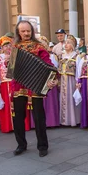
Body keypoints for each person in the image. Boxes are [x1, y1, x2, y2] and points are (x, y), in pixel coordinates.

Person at [10, 21, 57, 157]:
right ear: (18, 32)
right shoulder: (15, 47)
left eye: (28, 31)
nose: (26, 33)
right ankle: (21, 145)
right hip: (19, 86)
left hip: (36, 85)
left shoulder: (39, 47)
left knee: (39, 117)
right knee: (18, 117)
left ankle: (42, 146)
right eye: (23, 31)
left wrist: (52, 79)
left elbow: (48, 64)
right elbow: (11, 69)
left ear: (32, 31)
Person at [0, 35, 31, 133]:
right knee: (6, 107)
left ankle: (22, 126)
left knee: (20, 104)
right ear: (1, 48)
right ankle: (8, 126)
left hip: (17, 84)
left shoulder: (17, 56)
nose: (8, 47)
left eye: (9, 45)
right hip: (4, 85)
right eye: (5, 46)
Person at [35, 36, 60, 128]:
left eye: (44, 43)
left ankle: (51, 121)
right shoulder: (34, 55)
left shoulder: (52, 56)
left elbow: (55, 69)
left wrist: (54, 79)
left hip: (49, 80)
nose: (42, 45)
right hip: (37, 81)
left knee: (50, 103)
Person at [59, 35, 81, 126]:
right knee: (63, 98)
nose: (66, 44)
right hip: (63, 79)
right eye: (65, 42)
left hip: (71, 79)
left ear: (72, 45)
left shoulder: (77, 56)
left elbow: (79, 70)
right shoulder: (61, 55)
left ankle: (73, 119)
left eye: (68, 43)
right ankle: (64, 120)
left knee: (71, 98)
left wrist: (78, 81)